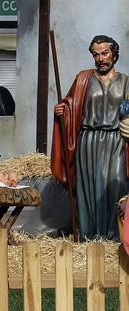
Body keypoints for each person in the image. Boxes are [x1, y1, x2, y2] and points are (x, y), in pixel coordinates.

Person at [51, 35, 129, 240]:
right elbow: (71, 104)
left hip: (115, 142)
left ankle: (114, 237)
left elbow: (127, 111)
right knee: (88, 188)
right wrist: (63, 109)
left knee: (116, 184)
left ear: (114, 54)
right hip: (88, 141)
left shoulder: (126, 82)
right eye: (96, 54)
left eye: (105, 53)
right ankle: (88, 237)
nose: (101, 58)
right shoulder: (83, 79)